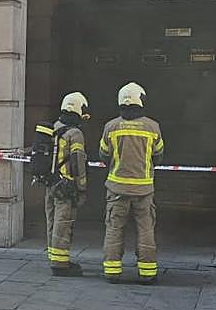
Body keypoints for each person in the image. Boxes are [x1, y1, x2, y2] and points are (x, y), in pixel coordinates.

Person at [100, 82, 164, 283]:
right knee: (145, 229)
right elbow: (159, 156)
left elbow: (103, 155)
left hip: (116, 188)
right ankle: (147, 273)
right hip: (143, 190)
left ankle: (112, 271)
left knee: (114, 228)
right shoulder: (153, 127)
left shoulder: (111, 127)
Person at [43, 92, 90, 276]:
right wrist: (82, 187)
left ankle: (54, 256)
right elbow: (78, 163)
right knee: (63, 224)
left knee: (52, 222)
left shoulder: (55, 126)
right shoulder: (75, 133)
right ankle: (60, 265)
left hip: (51, 184)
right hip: (66, 186)